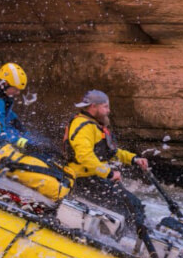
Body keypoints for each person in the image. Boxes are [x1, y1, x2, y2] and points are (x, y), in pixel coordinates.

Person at [0, 63, 74, 202]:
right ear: (4, 84)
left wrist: (16, 122)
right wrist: (24, 143)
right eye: (15, 89)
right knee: (24, 146)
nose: (18, 93)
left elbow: (3, 113)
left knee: (30, 138)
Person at [63, 89, 149, 227]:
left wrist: (134, 159)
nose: (108, 110)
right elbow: (84, 156)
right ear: (93, 107)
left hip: (95, 178)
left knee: (136, 204)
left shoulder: (95, 126)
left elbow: (111, 152)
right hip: (82, 180)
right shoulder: (83, 126)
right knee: (129, 207)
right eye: (105, 107)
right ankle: (129, 239)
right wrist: (108, 173)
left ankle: (139, 233)